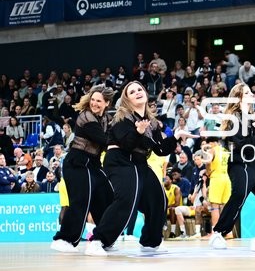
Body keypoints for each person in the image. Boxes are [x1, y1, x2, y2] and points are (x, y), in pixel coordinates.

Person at [86, 82, 194, 256]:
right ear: (127, 99)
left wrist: (176, 136)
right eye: (132, 91)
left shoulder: (152, 122)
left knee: (158, 199)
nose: (137, 92)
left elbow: (160, 150)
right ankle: (98, 240)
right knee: (127, 199)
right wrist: (137, 132)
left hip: (138, 162)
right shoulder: (122, 118)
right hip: (120, 161)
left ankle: (151, 242)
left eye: (139, 89)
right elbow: (126, 145)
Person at [208, 83, 255, 250]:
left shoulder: (251, 115)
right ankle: (218, 233)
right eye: (247, 92)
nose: (252, 95)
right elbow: (241, 145)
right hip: (240, 163)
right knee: (239, 195)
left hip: (253, 163)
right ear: (238, 96)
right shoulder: (234, 117)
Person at [51, 86, 115, 253]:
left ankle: (104, 237)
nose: (94, 103)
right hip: (77, 162)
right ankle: (64, 239)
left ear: (106, 103)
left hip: (93, 163)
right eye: (93, 99)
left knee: (106, 195)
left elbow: (114, 133)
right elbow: (104, 139)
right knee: (81, 200)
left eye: (98, 101)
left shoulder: (107, 119)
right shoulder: (85, 117)